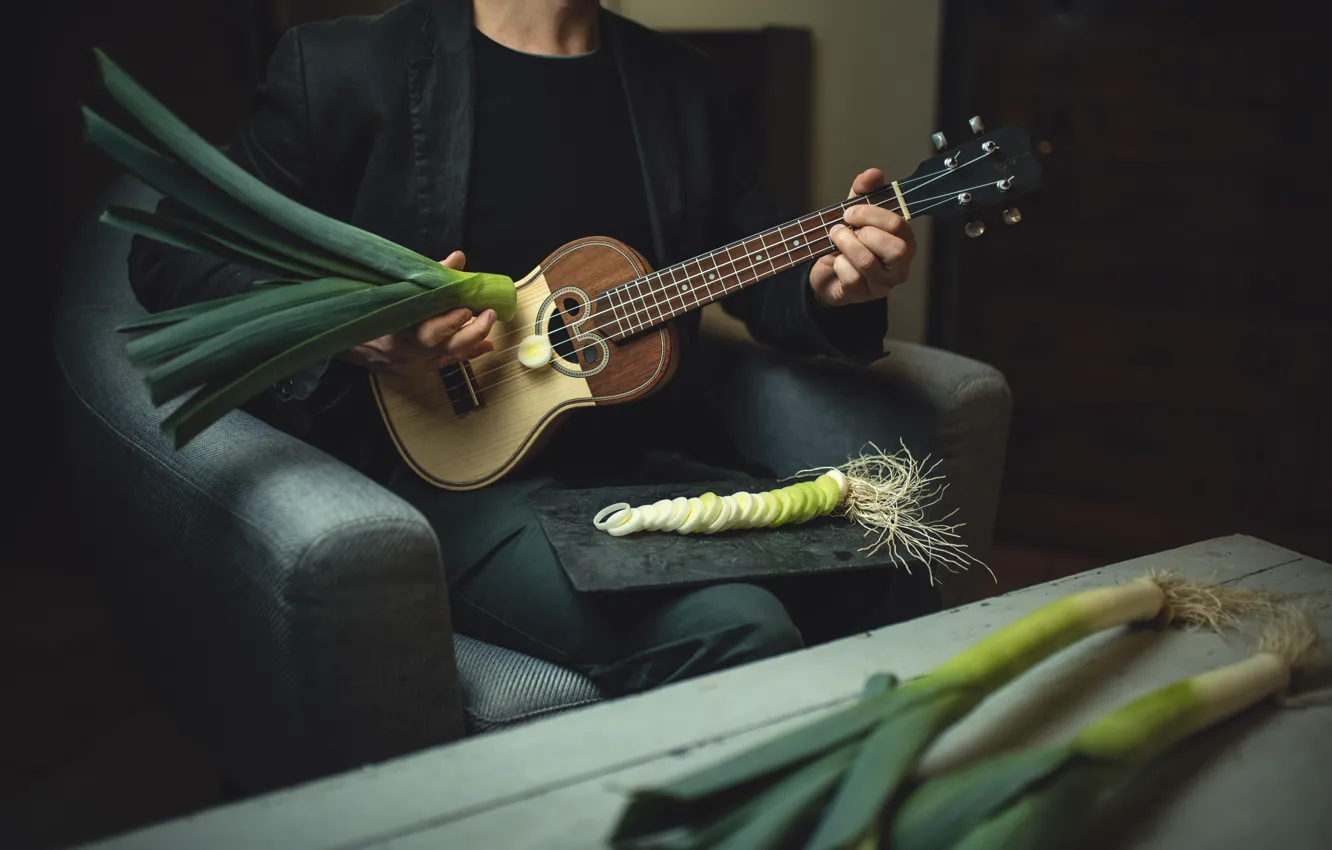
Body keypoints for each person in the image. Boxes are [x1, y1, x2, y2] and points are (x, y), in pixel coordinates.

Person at [128, 0, 923, 696]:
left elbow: (757, 273)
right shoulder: (343, 67)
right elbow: (175, 252)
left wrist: (833, 285)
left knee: (895, 575)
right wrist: (351, 327)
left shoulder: (687, 86)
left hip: (650, 462)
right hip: (447, 475)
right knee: (738, 626)